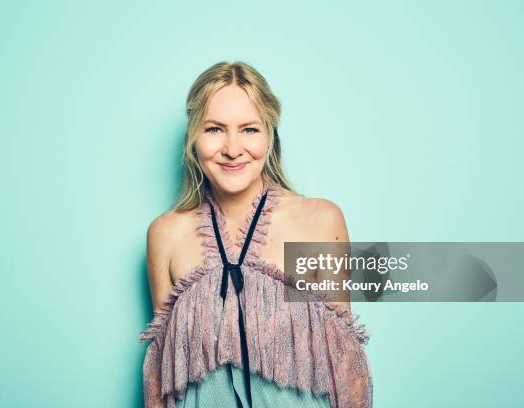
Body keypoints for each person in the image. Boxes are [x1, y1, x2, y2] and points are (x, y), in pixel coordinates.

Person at [140, 61, 372, 408]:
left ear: (270, 135)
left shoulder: (319, 221)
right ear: (193, 138)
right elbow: (161, 378)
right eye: (215, 129)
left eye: (249, 129)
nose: (233, 148)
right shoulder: (166, 234)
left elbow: (346, 364)